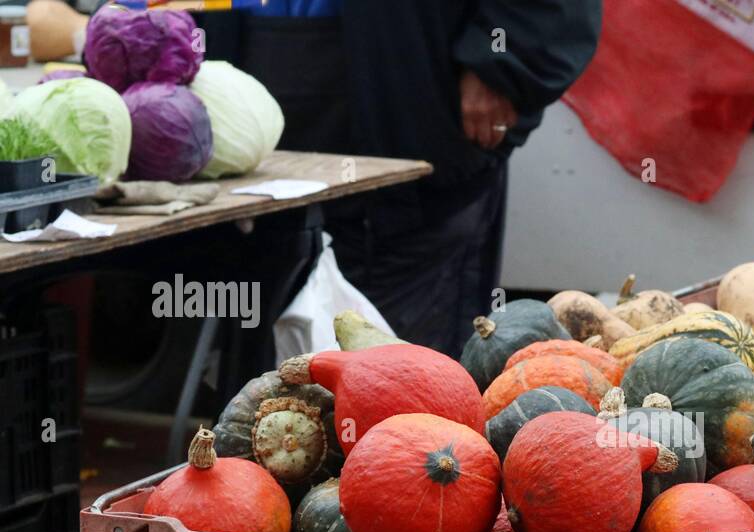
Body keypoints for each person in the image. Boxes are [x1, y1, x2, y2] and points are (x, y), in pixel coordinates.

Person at [202, 0, 603, 354]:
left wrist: (506, 63)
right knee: (263, 390)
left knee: (402, 401)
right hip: (250, 176)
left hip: (414, 163)